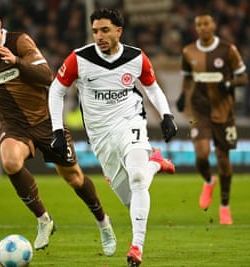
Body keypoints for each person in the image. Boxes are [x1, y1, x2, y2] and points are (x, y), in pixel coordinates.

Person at [0, 2, 117, 256]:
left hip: (47, 122)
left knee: (74, 178)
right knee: (10, 162)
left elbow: (47, 75)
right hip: (14, 125)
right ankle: (44, 220)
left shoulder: (20, 42)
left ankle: (104, 223)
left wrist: (15, 62)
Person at [48, 8, 178, 267]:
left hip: (130, 120)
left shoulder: (136, 58)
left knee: (138, 179)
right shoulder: (78, 59)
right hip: (99, 135)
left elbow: (152, 87)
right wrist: (57, 131)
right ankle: (155, 162)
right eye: (95, 31)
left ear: (119, 31)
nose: (99, 36)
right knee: (130, 198)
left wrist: (166, 115)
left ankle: (136, 248)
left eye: (105, 30)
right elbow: (56, 91)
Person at [175, 13, 248, 225]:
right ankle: (208, 180)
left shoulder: (228, 50)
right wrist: (182, 96)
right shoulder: (188, 51)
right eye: (199, 24)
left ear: (213, 25)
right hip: (199, 110)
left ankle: (225, 206)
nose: (203, 27)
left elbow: (243, 77)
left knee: (223, 159)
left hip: (223, 111)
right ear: (196, 28)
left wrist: (230, 84)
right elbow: (188, 78)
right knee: (202, 153)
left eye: (206, 23)